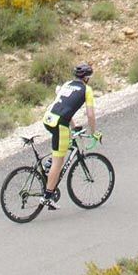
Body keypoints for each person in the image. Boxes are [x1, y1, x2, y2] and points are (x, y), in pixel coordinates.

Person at [41, 63, 100, 210]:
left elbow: (65, 107)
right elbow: (90, 115)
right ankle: (47, 197)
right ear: (87, 78)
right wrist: (94, 133)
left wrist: (74, 127)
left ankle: (49, 164)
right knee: (59, 161)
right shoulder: (87, 90)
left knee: (62, 142)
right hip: (60, 123)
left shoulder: (67, 84)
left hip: (48, 119)